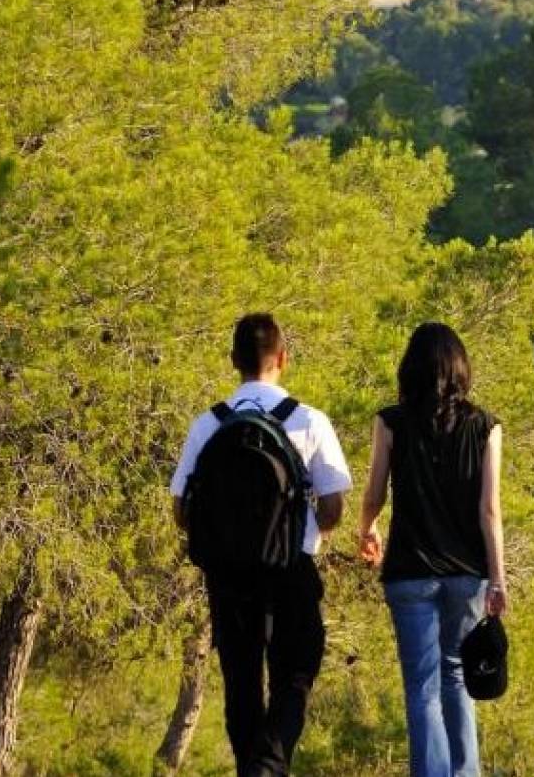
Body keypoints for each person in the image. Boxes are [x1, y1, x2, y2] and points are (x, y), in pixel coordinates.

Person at [170, 313, 351, 777]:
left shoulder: (207, 425)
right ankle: (269, 764)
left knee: (241, 679)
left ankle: (253, 765)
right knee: (296, 669)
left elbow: (180, 510)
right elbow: (333, 509)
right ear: (283, 359)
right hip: (291, 566)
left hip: (227, 574)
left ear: (233, 361)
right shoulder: (309, 421)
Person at [358, 322, 507, 777]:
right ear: (462, 369)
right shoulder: (486, 426)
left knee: (422, 687)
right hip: (467, 573)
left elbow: (375, 492)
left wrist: (367, 528)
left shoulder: (390, 422)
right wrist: (498, 577)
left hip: (409, 570)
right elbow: (489, 511)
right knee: (457, 677)